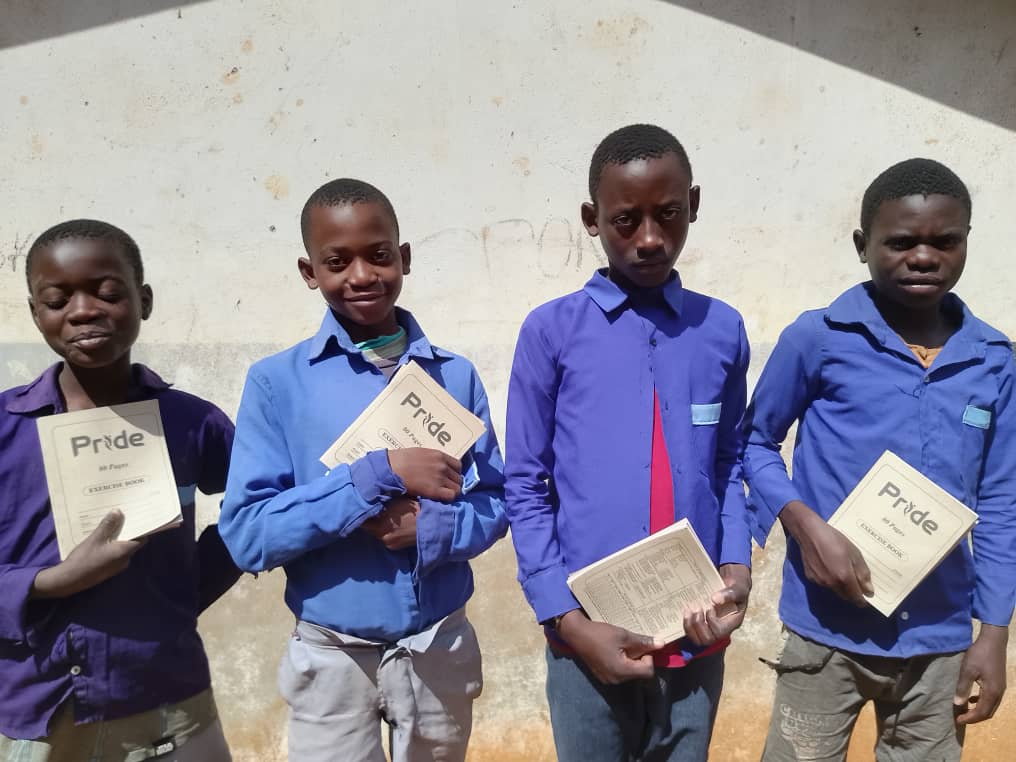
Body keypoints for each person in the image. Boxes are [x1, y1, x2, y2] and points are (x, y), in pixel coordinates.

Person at [218, 178, 507, 762]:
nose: (361, 275)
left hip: (438, 646)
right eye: (336, 261)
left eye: (378, 256)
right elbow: (248, 535)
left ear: (403, 258)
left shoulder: (454, 376)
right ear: (309, 271)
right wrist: (376, 476)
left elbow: (496, 502)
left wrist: (432, 529)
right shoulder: (278, 383)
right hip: (331, 655)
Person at [744, 158, 1016, 761]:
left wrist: (993, 633)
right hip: (825, 634)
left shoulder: (994, 360)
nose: (923, 256)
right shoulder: (818, 339)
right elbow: (754, 442)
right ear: (863, 245)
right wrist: (803, 524)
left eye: (945, 241)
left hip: (939, 640)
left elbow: (1000, 500)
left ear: (966, 241)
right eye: (900, 242)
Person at [504, 124, 752, 762]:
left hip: (697, 634)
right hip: (587, 639)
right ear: (592, 220)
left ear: (692, 206)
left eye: (668, 215)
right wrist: (567, 621)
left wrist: (735, 571)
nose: (649, 238)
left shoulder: (720, 329)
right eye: (625, 220)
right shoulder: (550, 331)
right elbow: (526, 485)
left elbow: (728, 465)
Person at [0, 219, 239, 761]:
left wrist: (190, 588)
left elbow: (253, 508)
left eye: (108, 292)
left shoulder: (190, 422)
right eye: (58, 299)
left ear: (143, 300)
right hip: (37, 715)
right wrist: (49, 582)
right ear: (36, 314)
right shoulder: (6, 429)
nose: (84, 310)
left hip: (168, 704)